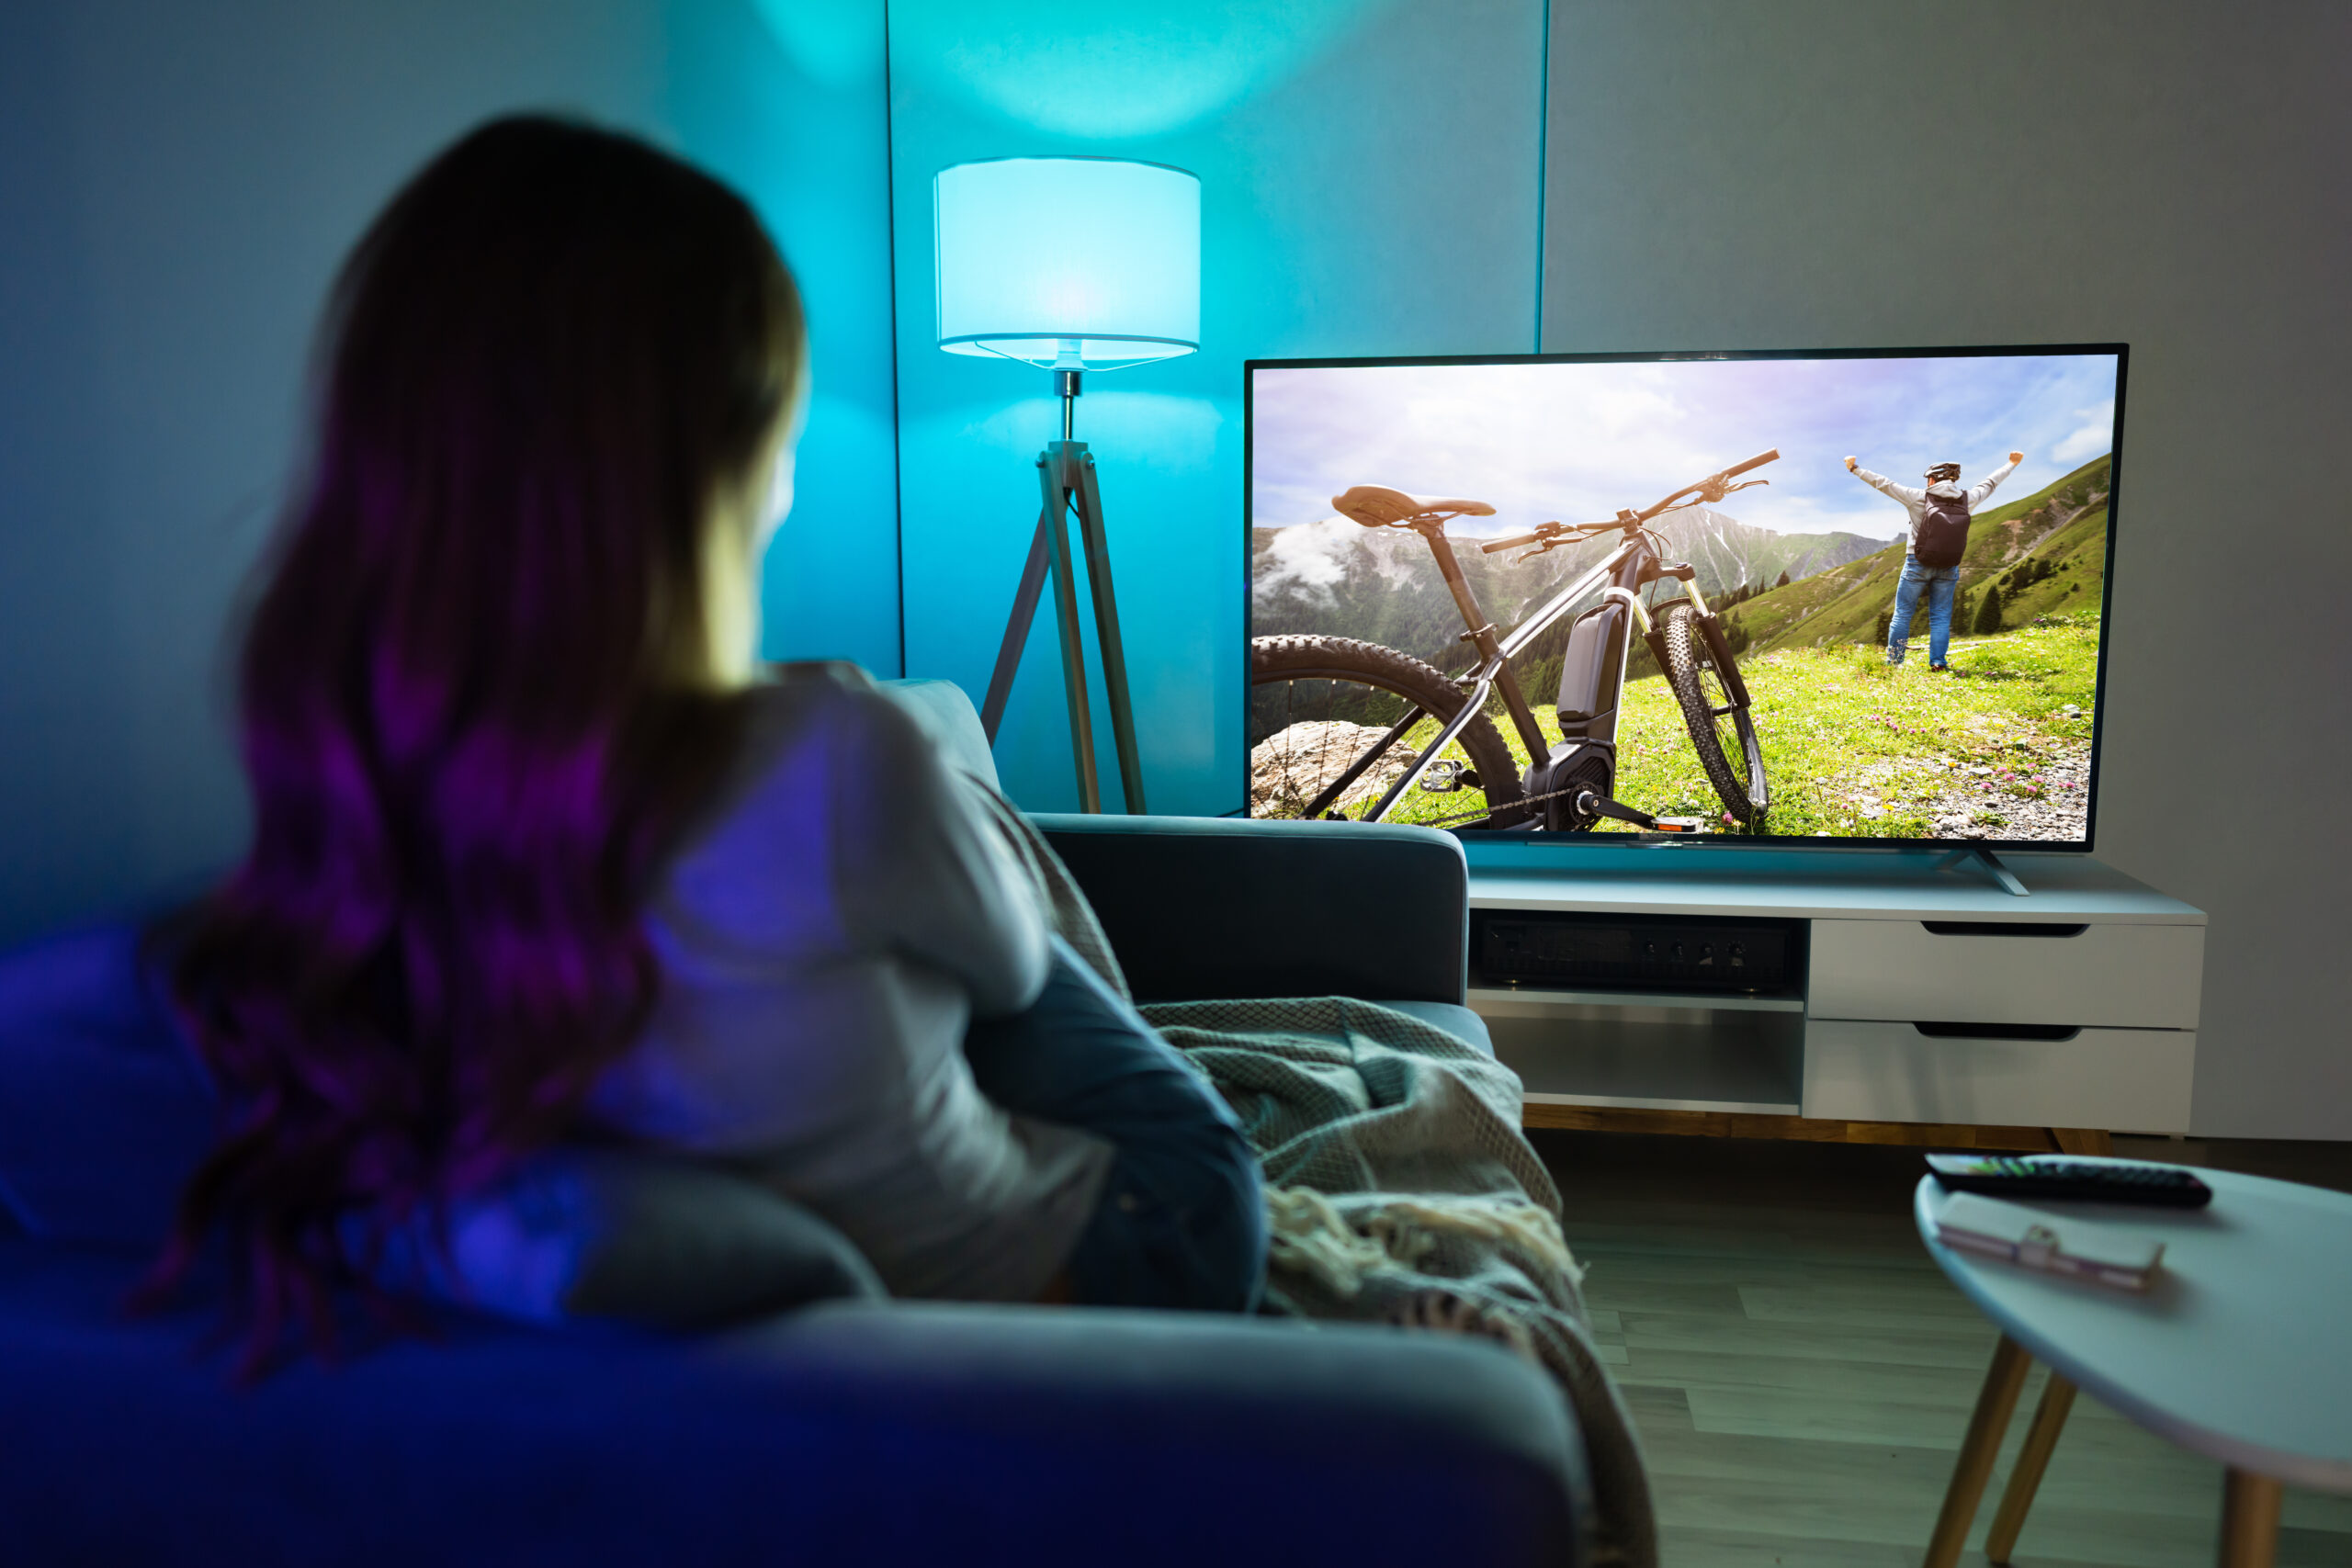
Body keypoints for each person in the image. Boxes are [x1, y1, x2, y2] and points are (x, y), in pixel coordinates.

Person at [148, 116, 1259, 1370]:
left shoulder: (356, 774)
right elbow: (1013, 980)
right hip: (1120, 1238)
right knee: (961, 837)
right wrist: (874, 749)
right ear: (724, 466)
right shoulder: (838, 748)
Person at [1844, 449, 2023, 669]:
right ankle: (1938, 662)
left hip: (1916, 562)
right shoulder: (1967, 499)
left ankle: (1895, 662)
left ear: (1931, 479)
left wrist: (1855, 468)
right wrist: (2011, 464)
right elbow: (1990, 484)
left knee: (1902, 614)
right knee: (1940, 617)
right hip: (1949, 566)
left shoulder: (1918, 496)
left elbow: (1884, 484)